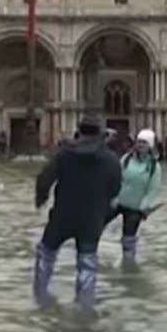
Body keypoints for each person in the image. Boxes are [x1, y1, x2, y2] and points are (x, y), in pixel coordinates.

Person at [33, 116, 122, 309]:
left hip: (62, 217)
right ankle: (85, 309)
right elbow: (115, 189)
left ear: (79, 132)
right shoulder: (111, 159)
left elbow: (44, 178)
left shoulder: (64, 154)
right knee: (87, 263)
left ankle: (40, 299)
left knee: (45, 256)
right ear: (100, 135)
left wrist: (40, 199)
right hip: (91, 220)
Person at [105, 128, 163, 264]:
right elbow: (117, 178)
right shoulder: (126, 159)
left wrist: (144, 206)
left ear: (150, 146)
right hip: (118, 202)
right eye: (138, 142)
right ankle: (88, 250)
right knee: (97, 223)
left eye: (144, 143)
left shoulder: (154, 167)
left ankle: (128, 263)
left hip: (136, 207)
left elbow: (153, 189)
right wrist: (113, 196)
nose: (140, 145)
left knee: (129, 237)